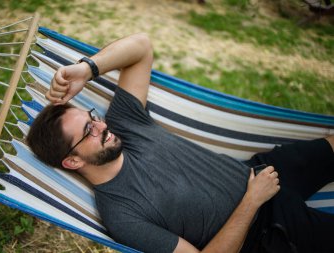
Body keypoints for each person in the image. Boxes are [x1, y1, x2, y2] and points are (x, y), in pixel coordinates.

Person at [26, 33, 334, 253]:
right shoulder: (122, 215)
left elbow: (141, 46)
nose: (102, 125)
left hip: (260, 171)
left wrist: (85, 69)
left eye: (93, 117)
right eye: (89, 130)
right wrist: (251, 202)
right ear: (72, 161)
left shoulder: (124, 124)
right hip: (267, 230)